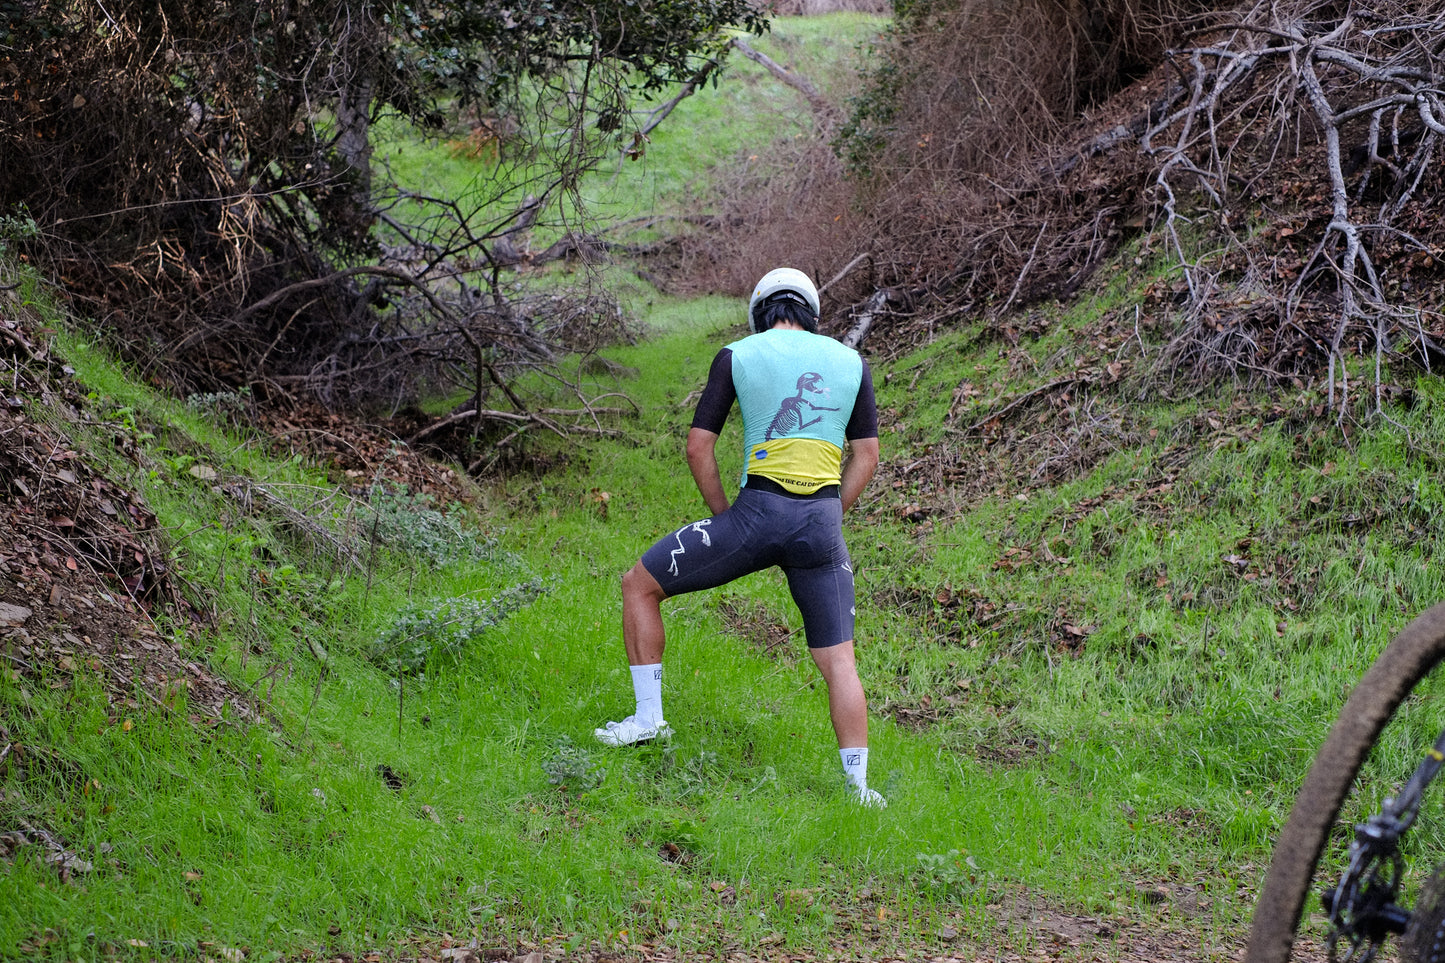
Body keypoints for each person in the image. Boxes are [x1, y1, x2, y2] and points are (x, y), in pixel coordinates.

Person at [594, 267, 885, 807]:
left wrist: (728, 520)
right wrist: (828, 516)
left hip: (755, 515)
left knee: (639, 585)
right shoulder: (853, 362)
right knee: (839, 660)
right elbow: (866, 456)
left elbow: (698, 446)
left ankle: (648, 719)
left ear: (759, 313)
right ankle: (859, 789)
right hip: (821, 529)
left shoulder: (737, 354)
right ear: (811, 313)